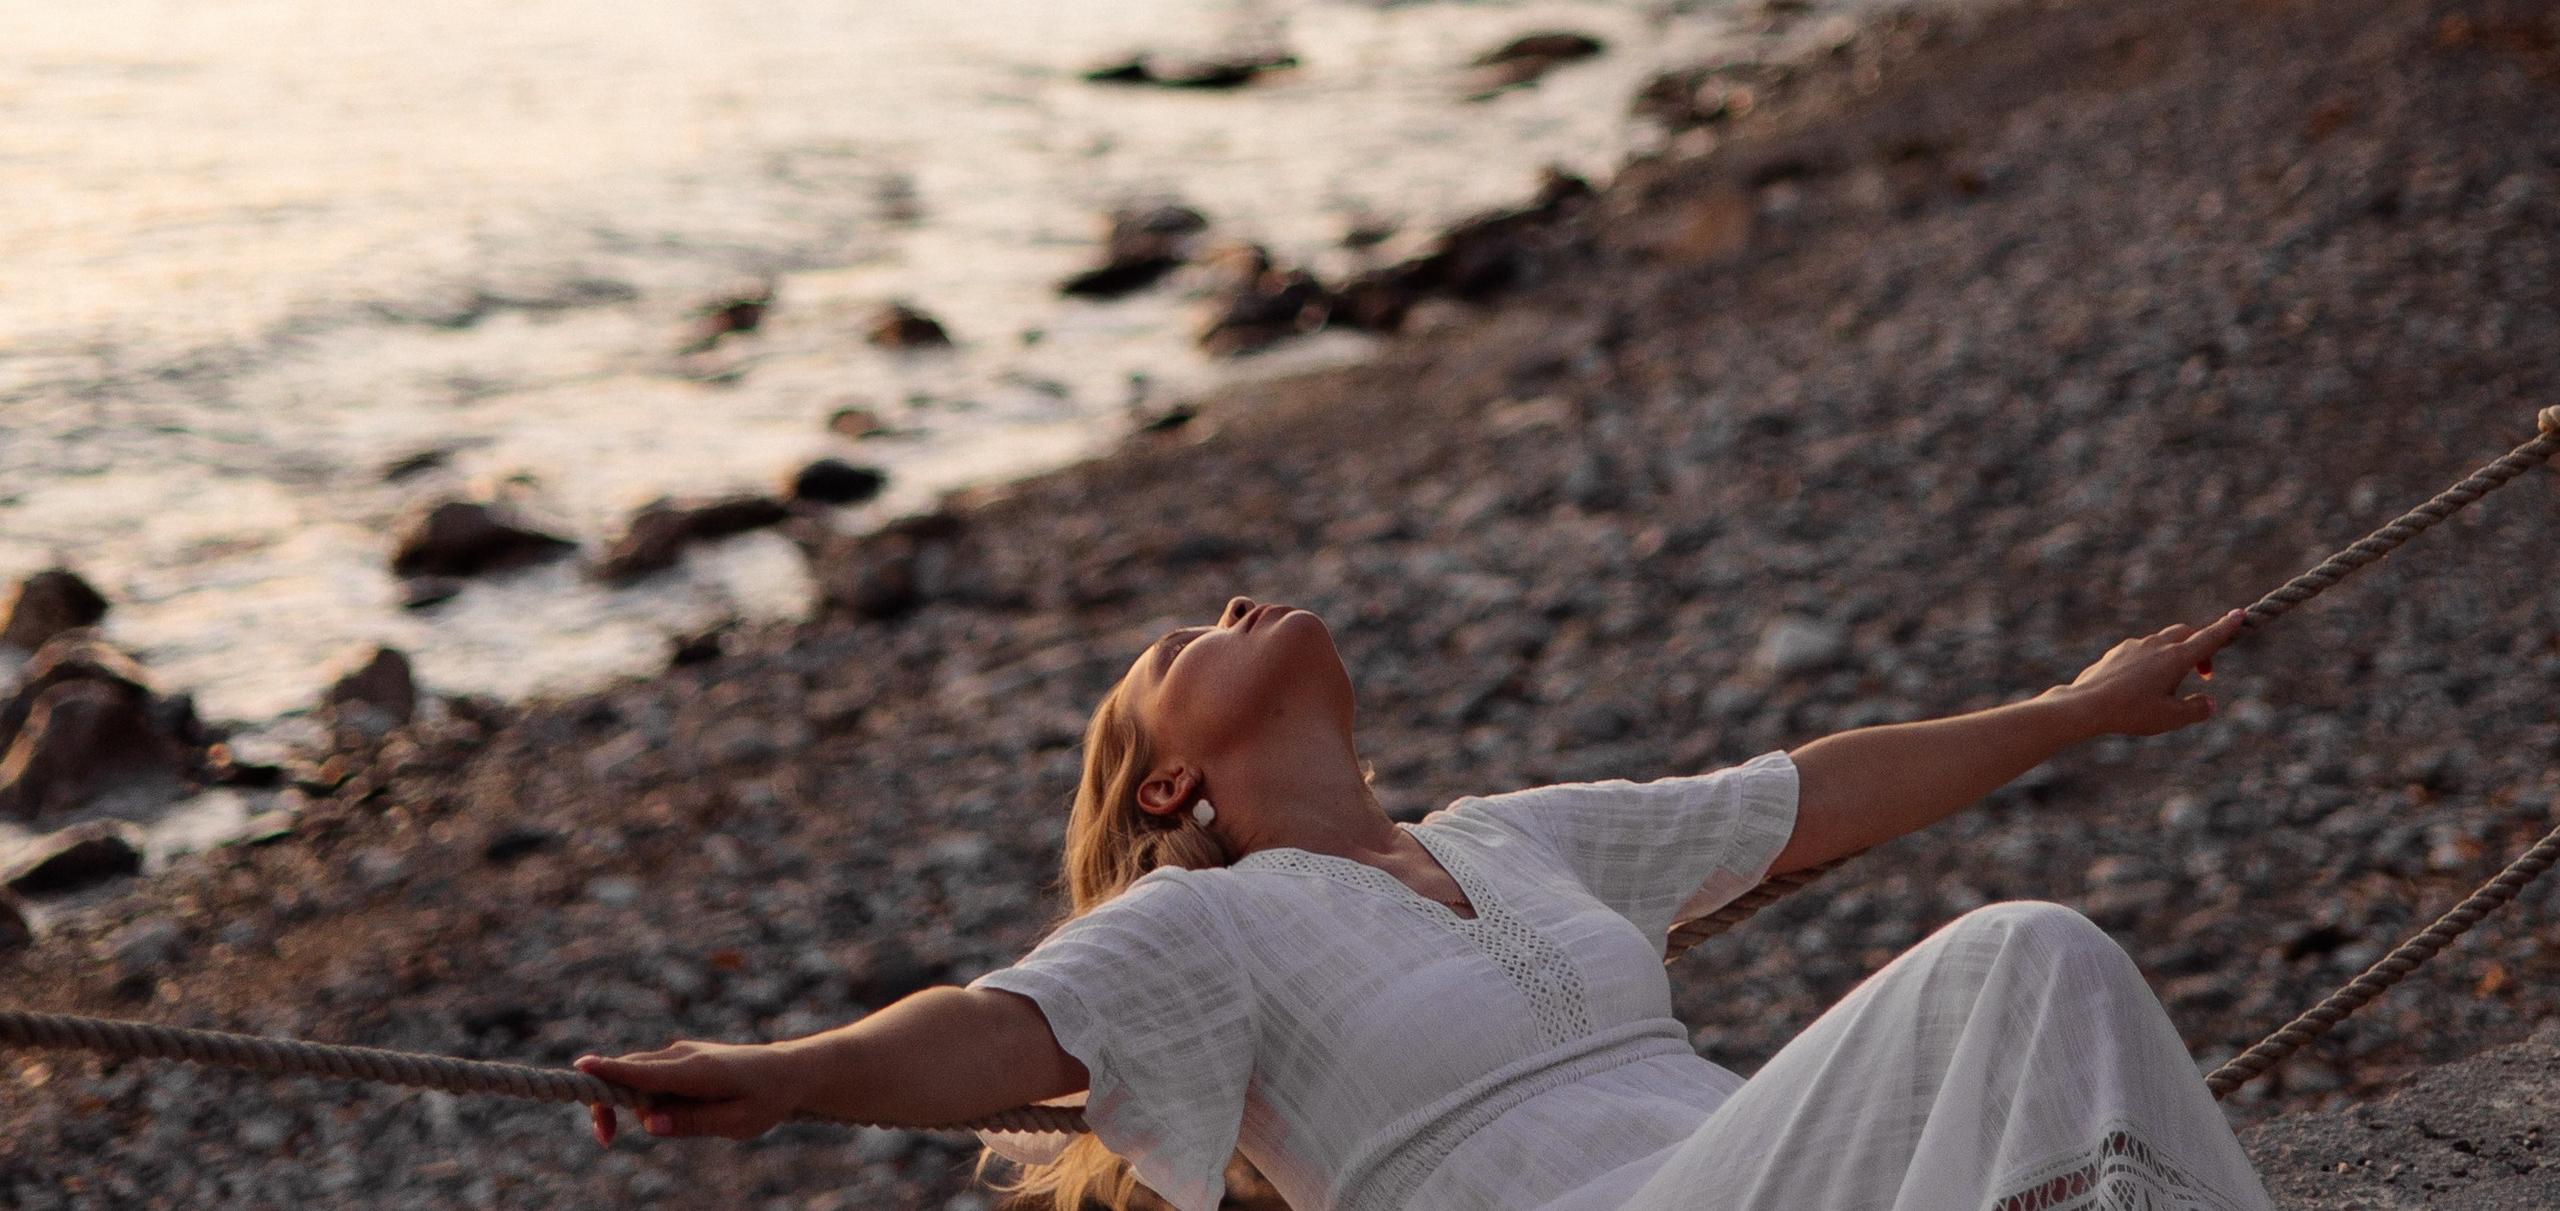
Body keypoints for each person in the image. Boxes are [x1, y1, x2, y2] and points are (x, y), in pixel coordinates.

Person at [583, 595, 2268, 1211]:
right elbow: (991, 1031)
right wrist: (790, 1071)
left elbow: (1810, 794)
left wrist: (2075, 710)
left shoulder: (1519, 835)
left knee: (2048, 998)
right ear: (1170, 788)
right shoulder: (1202, 929)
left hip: (1737, 1170)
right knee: (2027, 954)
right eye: (1181, 643)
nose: (1233, 603)